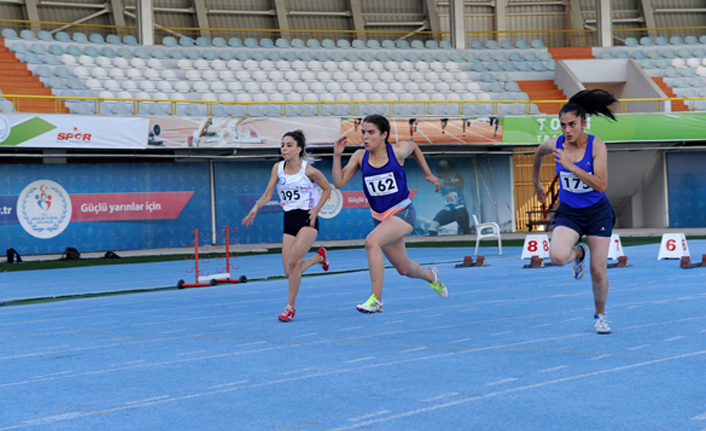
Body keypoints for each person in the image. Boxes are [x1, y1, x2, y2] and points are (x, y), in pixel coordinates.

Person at [332, 114, 448, 313]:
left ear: (384, 134)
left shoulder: (398, 151)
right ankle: (432, 277)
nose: (365, 137)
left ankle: (376, 300)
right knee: (404, 269)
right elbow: (339, 182)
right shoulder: (360, 156)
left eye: (371, 133)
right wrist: (336, 155)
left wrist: (428, 173)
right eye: (363, 133)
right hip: (380, 218)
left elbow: (415, 148)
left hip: (403, 212)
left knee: (371, 242)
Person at [531, 89, 618, 334]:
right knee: (557, 257)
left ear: (583, 123)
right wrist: (535, 181)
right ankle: (580, 253)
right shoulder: (556, 145)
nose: (567, 131)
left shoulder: (596, 146)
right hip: (570, 211)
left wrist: (571, 166)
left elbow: (601, 185)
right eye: (563, 126)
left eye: (572, 125)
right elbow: (538, 152)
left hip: (597, 212)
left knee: (598, 271)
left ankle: (600, 315)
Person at [242, 130, 331, 322]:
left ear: (299, 149)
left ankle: (290, 307)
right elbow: (267, 194)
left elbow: (327, 188)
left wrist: (316, 210)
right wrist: (255, 208)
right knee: (289, 271)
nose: (284, 149)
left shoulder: (309, 171)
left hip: (308, 219)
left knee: (293, 262)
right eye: (282, 145)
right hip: (289, 219)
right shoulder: (277, 168)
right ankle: (318, 258)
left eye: (289, 145)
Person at [428, 159, 471, 236]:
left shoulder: (458, 177)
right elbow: (432, 181)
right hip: (448, 210)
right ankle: (432, 244)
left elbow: (457, 183)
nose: (445, 173)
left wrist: (447, 182)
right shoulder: (439, 179)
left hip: (460, 209)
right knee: (434, 225)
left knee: (465, 231)